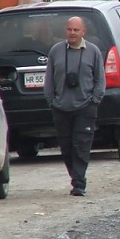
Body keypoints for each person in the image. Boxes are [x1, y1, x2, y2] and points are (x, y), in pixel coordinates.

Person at [44, 16, 106, 196]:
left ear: (83, 32)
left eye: (76, 30)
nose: (72, 33)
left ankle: (79, 182)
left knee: (81, 145)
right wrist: (51, 100)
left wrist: (95, 100)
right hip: (61, 107)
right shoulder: (56, 51)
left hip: (85, 107)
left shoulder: (93, 51)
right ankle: (75, 175)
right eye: (70, 29)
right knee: (66, 146)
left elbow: (99, 80)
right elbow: (49, 78)